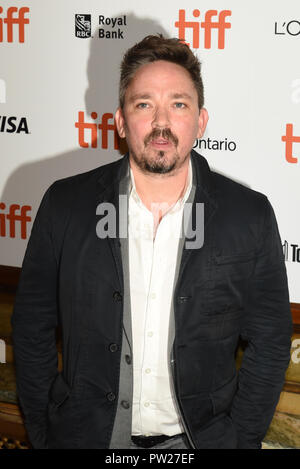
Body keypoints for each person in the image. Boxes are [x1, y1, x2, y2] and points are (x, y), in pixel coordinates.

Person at [11, 34, 292, 450]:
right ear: (122, 121)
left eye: (178, 104)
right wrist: (44, 431)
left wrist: (239, 438)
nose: (162, 122)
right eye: (144, 104)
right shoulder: (65, 206)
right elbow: (31, 325)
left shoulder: (247, 216)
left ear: (200, 120)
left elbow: (270, 339)